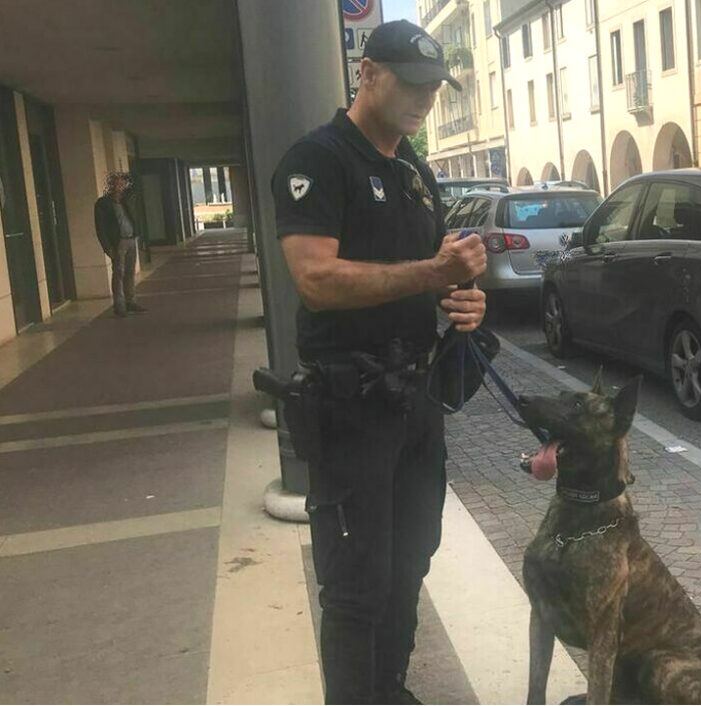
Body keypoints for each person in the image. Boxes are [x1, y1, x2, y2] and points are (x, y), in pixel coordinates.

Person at [271, 20, 488, 704]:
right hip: (350, 404)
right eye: (412, 84)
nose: (426, 99)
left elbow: (439, 279)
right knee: (356, 583)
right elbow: (316, 280)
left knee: (409, 562)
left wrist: (465, 298)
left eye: (434, 87)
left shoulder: (415, 172)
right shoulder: (318, 160)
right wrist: (432, 272)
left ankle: (389, 688)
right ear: (367, 74)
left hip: (414, 400)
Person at [94, 172, 147, 317]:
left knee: (129, 272)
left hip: (131, 239)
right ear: (110, 186)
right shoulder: (103, 204)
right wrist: (107, 247)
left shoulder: (127, 200)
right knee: (119, 273)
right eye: (117, 184)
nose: (120, 187)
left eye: (122, 184)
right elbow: (100, 228)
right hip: (118, 242)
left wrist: (128, 180)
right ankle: (119, 305)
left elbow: (136, 187)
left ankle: (130, 301)